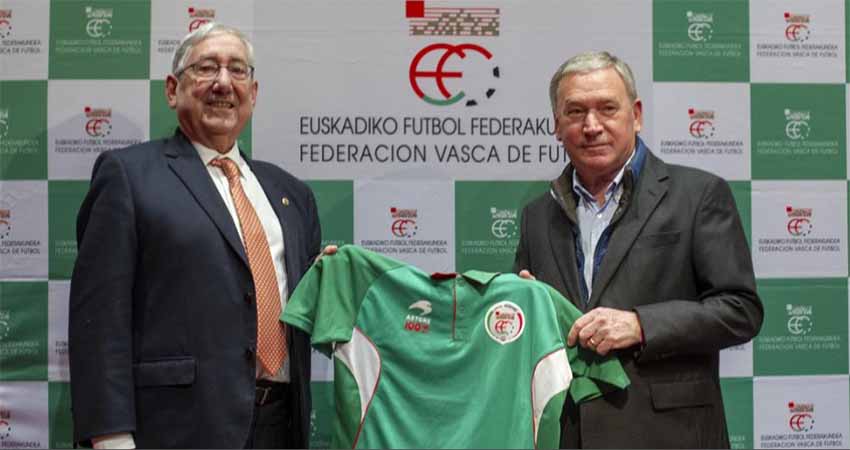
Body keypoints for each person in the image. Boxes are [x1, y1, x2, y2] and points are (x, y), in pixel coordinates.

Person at [69, 23, 324, 448]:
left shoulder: (292, 195)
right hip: (177, 429)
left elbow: (306, 314)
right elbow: (99, 321)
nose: (223, 82)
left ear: (254, 93)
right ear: (172, 90)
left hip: (281, 428)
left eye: (238, 71)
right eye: (207, 68)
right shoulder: (129, 176)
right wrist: (110, 436)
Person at [513, 51, 763, 448]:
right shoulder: (536, 217)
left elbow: (740, 311)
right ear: (557, 126)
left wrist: (640, 325)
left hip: (668, 436)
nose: (591, 125)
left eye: (607, 108)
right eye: (575, 112)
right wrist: (523, 307)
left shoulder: (698, 195)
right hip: (567, 435)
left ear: (637, 114)